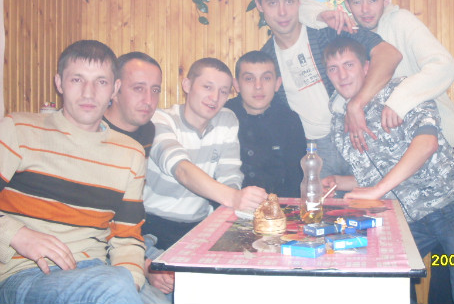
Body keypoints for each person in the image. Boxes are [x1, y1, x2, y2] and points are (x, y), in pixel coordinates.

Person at [300, 0, 454, 302]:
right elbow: (300, 7)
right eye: (356, 2)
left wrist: (397, 102)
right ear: (346, 4)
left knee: (450, 269)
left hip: (436, 143)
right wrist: (325, 14)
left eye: (373, 0)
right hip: (390, 153)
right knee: (398, 259)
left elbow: (444, 66)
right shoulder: (352, 31)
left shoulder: (400, 22)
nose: (365, 9)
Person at [321, 38, 454, 304]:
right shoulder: (339, 123)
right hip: (405, 221)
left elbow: (427, 144)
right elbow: (374, 178)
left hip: (453, 206)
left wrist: (377, 190)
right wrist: (338, 181)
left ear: (366, 67)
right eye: (333, 68)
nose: (342, 75)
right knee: (384, 287)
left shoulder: (402, 91)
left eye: (349, 65)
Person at [0, 40, 146, 304]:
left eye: (101, 82)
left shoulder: (131, 153)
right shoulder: (19, 130)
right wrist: (16, 234)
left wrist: (132, 282)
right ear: (59, 83)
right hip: (26, 274)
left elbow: (126, 238)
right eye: (77, 80)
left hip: (100, 272)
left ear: (115, 89)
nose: (88, 93)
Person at [254, 0, 402, 179]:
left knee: (375, 197)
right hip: (312, 151)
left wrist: (356, 104)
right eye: (272, 3)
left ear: (300, 1)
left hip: (359, 133)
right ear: (260, 5)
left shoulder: (330, 30)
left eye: (289, 1)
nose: (283, 12)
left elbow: (389, 55)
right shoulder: (266, 60)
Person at [143, 58, 268, 251]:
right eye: (207, 87)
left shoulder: (226, 120)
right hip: (153, 226)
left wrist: (236, 201)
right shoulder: (160, 119)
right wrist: (234, 197)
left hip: (200, 225)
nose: (215, 97)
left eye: (223, 91)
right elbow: (181, 170)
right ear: (187, 85)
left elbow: (230, 177)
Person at [102, 51, 172, 303]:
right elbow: (95, 223)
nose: (148, 100)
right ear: (115, 89)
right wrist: (143, 264)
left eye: (155, 90)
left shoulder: (148, 131)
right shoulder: (94, 133)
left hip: (138, 237)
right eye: (138, 88)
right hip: (102, 246)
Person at [225, 50, 305, 198]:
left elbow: (296, 181)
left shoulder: (289, 121)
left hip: (279, 206)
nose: (258, 86)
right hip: (230, 203)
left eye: (266, 78)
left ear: (277, 84)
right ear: (237, 85)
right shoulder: (223, 117)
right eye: (249, 79)